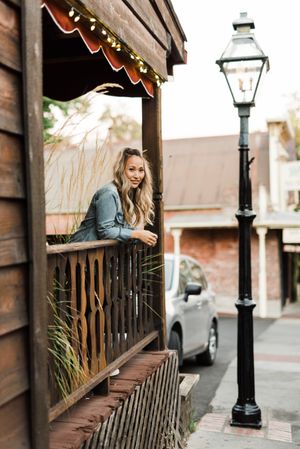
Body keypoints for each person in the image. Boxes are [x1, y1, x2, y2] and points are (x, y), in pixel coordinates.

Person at [69, 147, 158, 247]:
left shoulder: (127, 195)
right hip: (81, 254)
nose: (137, 175)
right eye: (131, 169)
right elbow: (105, 231)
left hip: (99, 256)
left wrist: (143, 236)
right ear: (121, 170)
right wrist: (137, 234)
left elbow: (120, 230)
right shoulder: (109, 193)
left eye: (141, 170)